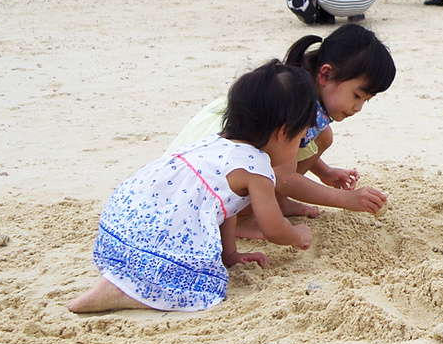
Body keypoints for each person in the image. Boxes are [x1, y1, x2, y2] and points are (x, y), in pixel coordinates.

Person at [68, 60, 316, 313]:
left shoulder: (214, 143)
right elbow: (273, 227)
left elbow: (223, 207)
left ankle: (120, 278)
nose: (300, 145)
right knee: (196, 283)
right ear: (283, 133)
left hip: (121, 225)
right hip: (159, 237)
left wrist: (229, 255)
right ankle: (123, 291)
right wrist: (298, 235)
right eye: (301, 137)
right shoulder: (257, 169)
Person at [166, 24, 396, 231]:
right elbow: (285, 178)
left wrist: (324, 172)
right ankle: (243, 219)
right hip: (213, 162)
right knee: (269, 161)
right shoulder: (291, 104)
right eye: (356, 95)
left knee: (323, 136)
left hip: (217, 154)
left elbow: (295, 145)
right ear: (325, 74)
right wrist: (346, 200)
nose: (358, 108)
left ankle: (276, 201)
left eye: (366, 100)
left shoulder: (300, 90)